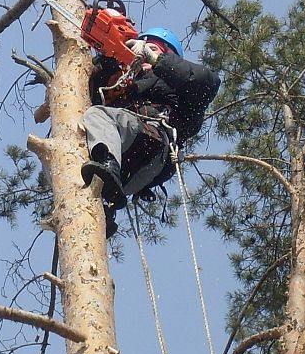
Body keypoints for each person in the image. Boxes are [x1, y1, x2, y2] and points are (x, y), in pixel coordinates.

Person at [80, 27, 220, 237]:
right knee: (86, 152)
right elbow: (95, 88)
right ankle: (101, 212)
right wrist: (110, 59)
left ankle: (107, 167)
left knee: (96, 116)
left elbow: (207, 82)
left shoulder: (179, 88)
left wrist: (156, 58)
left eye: (150, 48)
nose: (141, 54)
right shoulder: (127, 83)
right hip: (134, 172)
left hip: (150, 141)